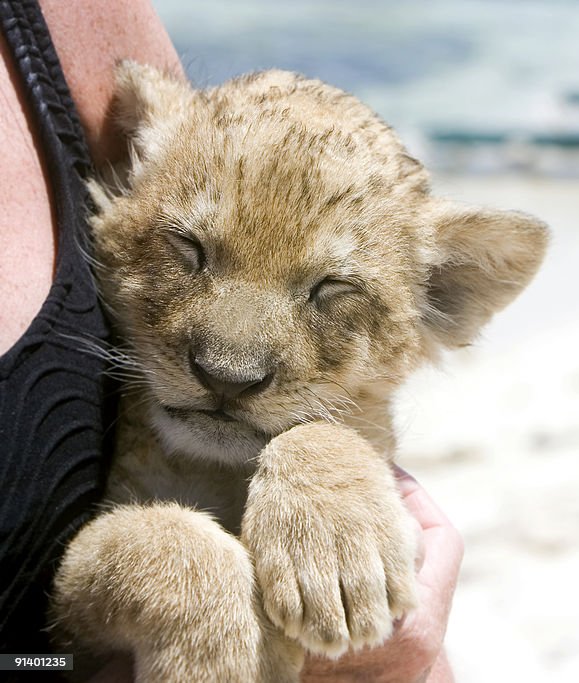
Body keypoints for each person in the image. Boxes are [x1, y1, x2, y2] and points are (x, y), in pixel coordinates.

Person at [0, 1, 462, 680]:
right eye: (188, 251)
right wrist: (180, 580)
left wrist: (328, 462)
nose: (229, 360)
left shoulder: (72, 26)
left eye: (330, 292)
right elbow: (49, 650)